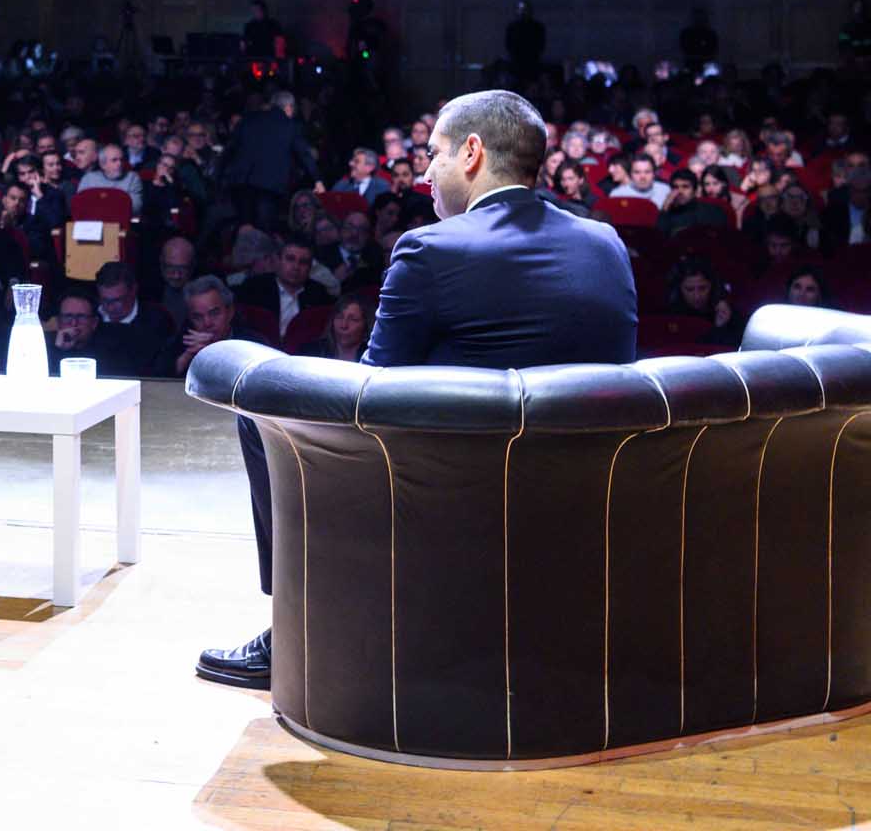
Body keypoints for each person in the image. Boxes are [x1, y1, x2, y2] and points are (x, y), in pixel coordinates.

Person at [199, 90, 637, 692]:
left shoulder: (430, 248)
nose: (425, 172)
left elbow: (370, 400)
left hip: (453, 499)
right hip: (586, 502)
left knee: (262, 409)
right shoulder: (605, 243)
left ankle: (302, 622)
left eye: (434, 155)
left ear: (473, 154)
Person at [211, 91, 321, 236]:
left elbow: (228, 151)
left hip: (241, 184)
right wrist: (318, 180)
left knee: (244, 229)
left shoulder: (248, 119)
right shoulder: (290, 126)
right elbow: (305, 155)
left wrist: (217, 179)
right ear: (289, 107)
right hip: (268, 187)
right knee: (263, 232)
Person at [91, 261, 173, 376]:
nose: (110, 307)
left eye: (117, 300)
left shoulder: (157, 320)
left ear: (133, 290)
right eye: (104, 300)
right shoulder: (89, 317)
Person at [504, 1, 546, 81]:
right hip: (516, 63)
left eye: (525, 10)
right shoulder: (512, 27)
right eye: (521, 9)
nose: (523, 12)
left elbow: (540, 44)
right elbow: (509, 44)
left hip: (532, 63)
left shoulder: (537, 28)